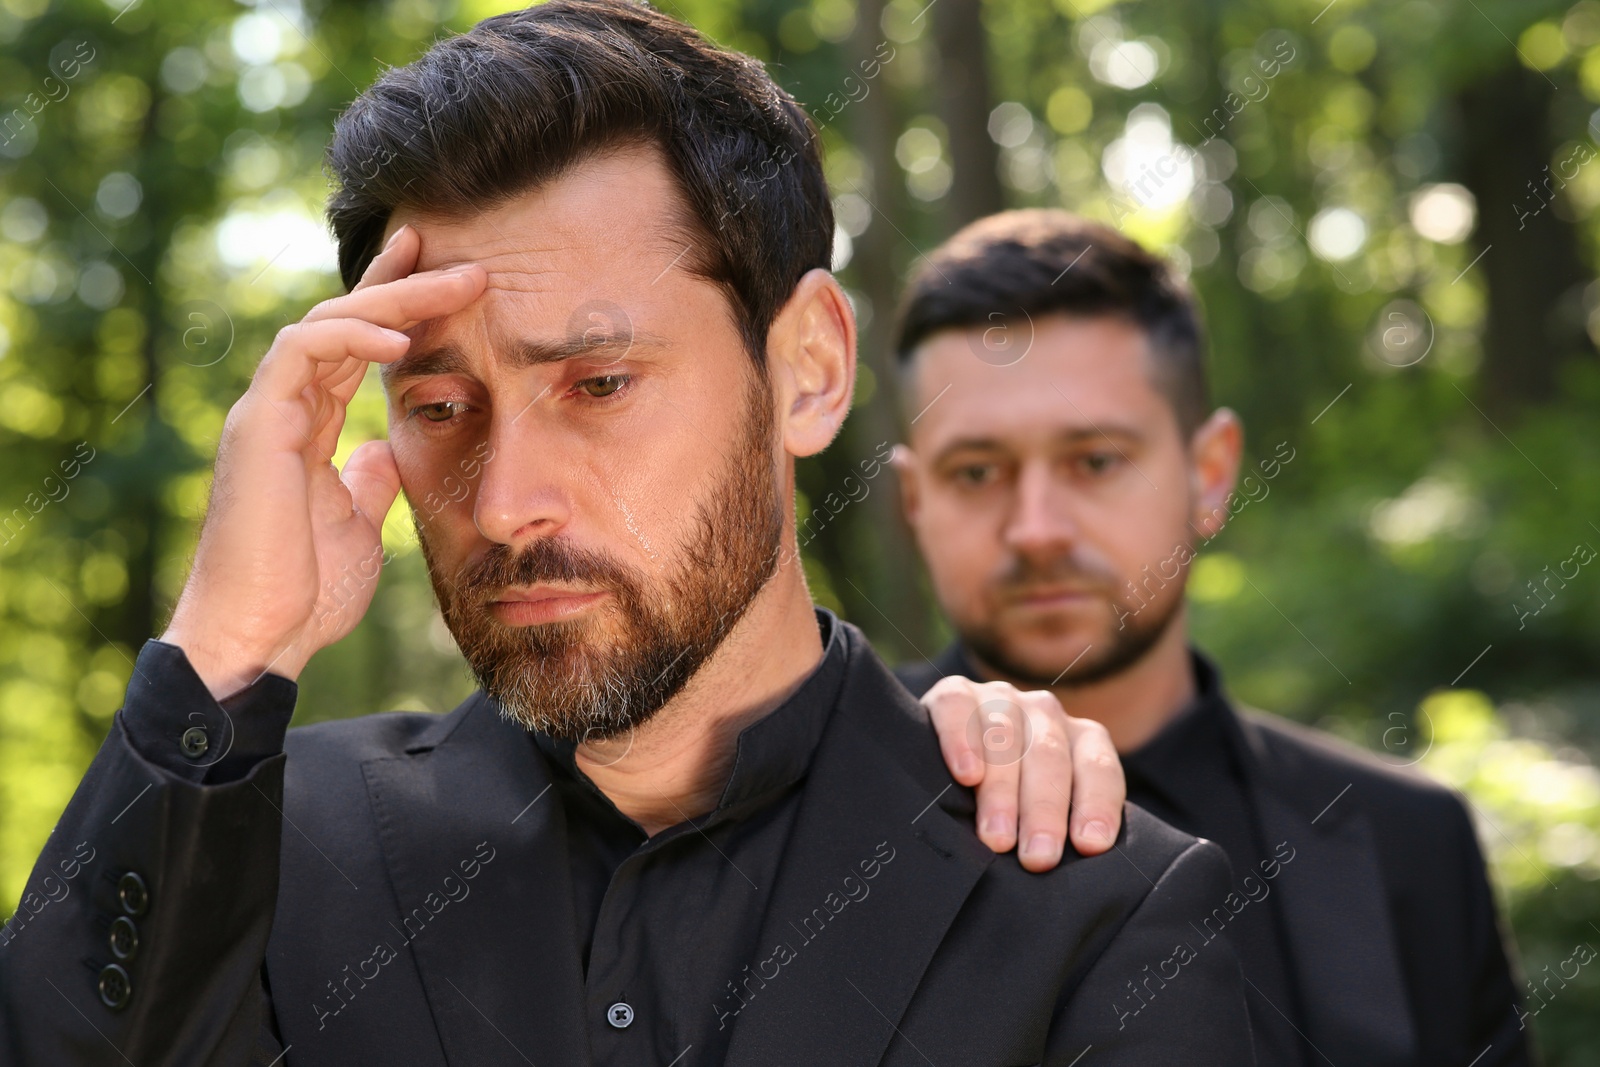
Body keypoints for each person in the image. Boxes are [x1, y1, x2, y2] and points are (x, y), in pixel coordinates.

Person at [0, 6, 1255, 1065]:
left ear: (809, 369)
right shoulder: (264, 847)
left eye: (598, 385)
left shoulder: (1098, 910)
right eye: (439, 407)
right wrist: (224, 648)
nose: (503, 502)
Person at [892, 209, 1532, 1067]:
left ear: (1211, 472)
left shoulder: (1412, 842)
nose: (1035, 528)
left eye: (1095, 460)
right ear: (915, 501)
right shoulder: (814, 816)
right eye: (976, 473)